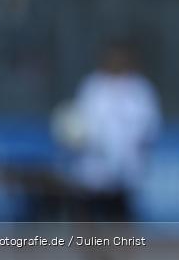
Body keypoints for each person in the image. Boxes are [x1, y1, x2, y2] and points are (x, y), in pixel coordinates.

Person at [66, 39, 162, 222]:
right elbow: (80, 125)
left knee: (120, 221)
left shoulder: (140, 89)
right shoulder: (92, 86)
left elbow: (149, 128)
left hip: (126, 172)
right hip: (92, 170)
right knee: (90, 220)